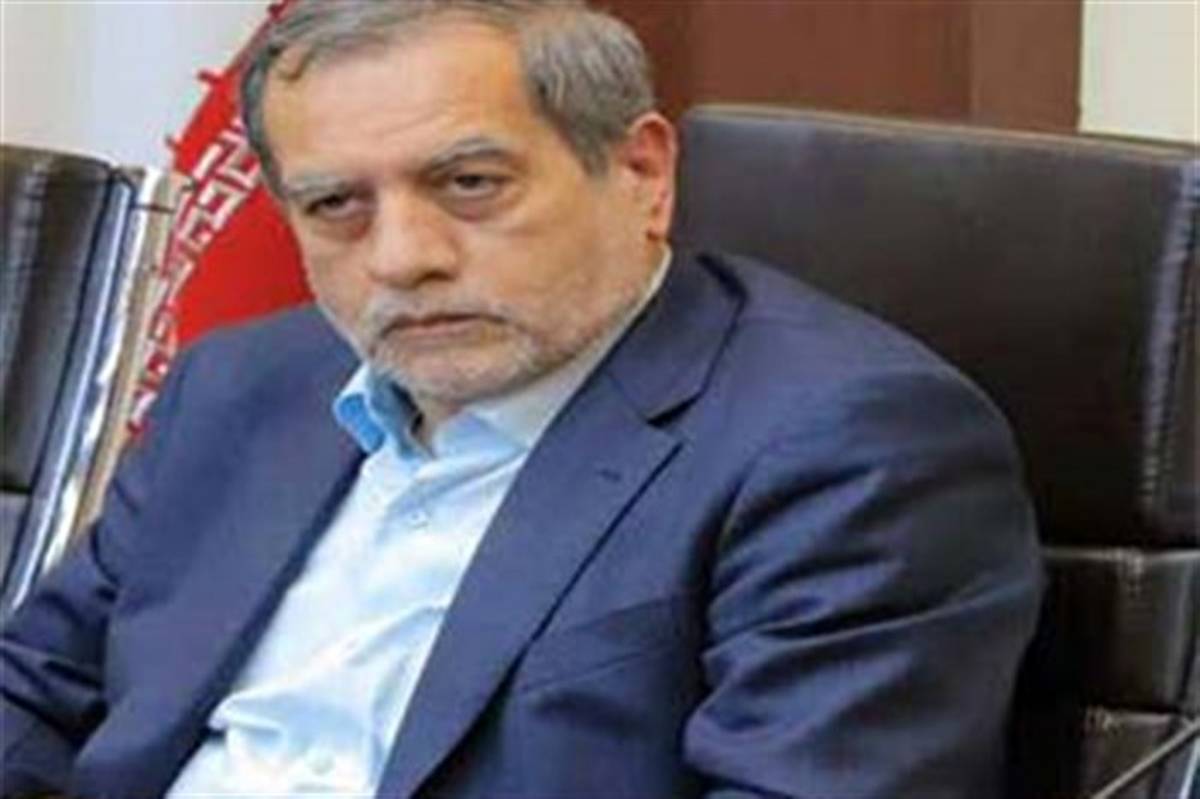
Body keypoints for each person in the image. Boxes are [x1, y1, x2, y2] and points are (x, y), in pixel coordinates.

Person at [0, 1, 1043, 797]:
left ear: (640, 172)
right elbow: (36, 693)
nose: (402, 258)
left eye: (470, 184)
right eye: (336, 205)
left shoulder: (848, 442)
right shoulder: (244, 385)